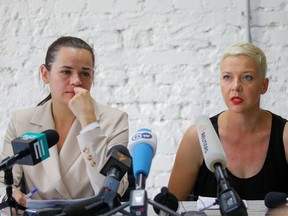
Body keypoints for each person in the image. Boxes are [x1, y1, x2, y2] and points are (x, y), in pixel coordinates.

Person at [0, 36, 129, 206]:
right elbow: (3, 179)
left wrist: (89, 122)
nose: (76, 81)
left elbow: (111, 190)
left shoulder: (114, 120)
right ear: (45, 74)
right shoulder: (22, 121)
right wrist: (8, 197)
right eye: (66, 72)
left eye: (85, 73)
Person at [168, 42, 288, 201]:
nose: (236, 86)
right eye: (227, 77)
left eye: (247, 77)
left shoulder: (285, 136)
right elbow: (170, 209)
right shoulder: (197, 137)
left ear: (263, 86)